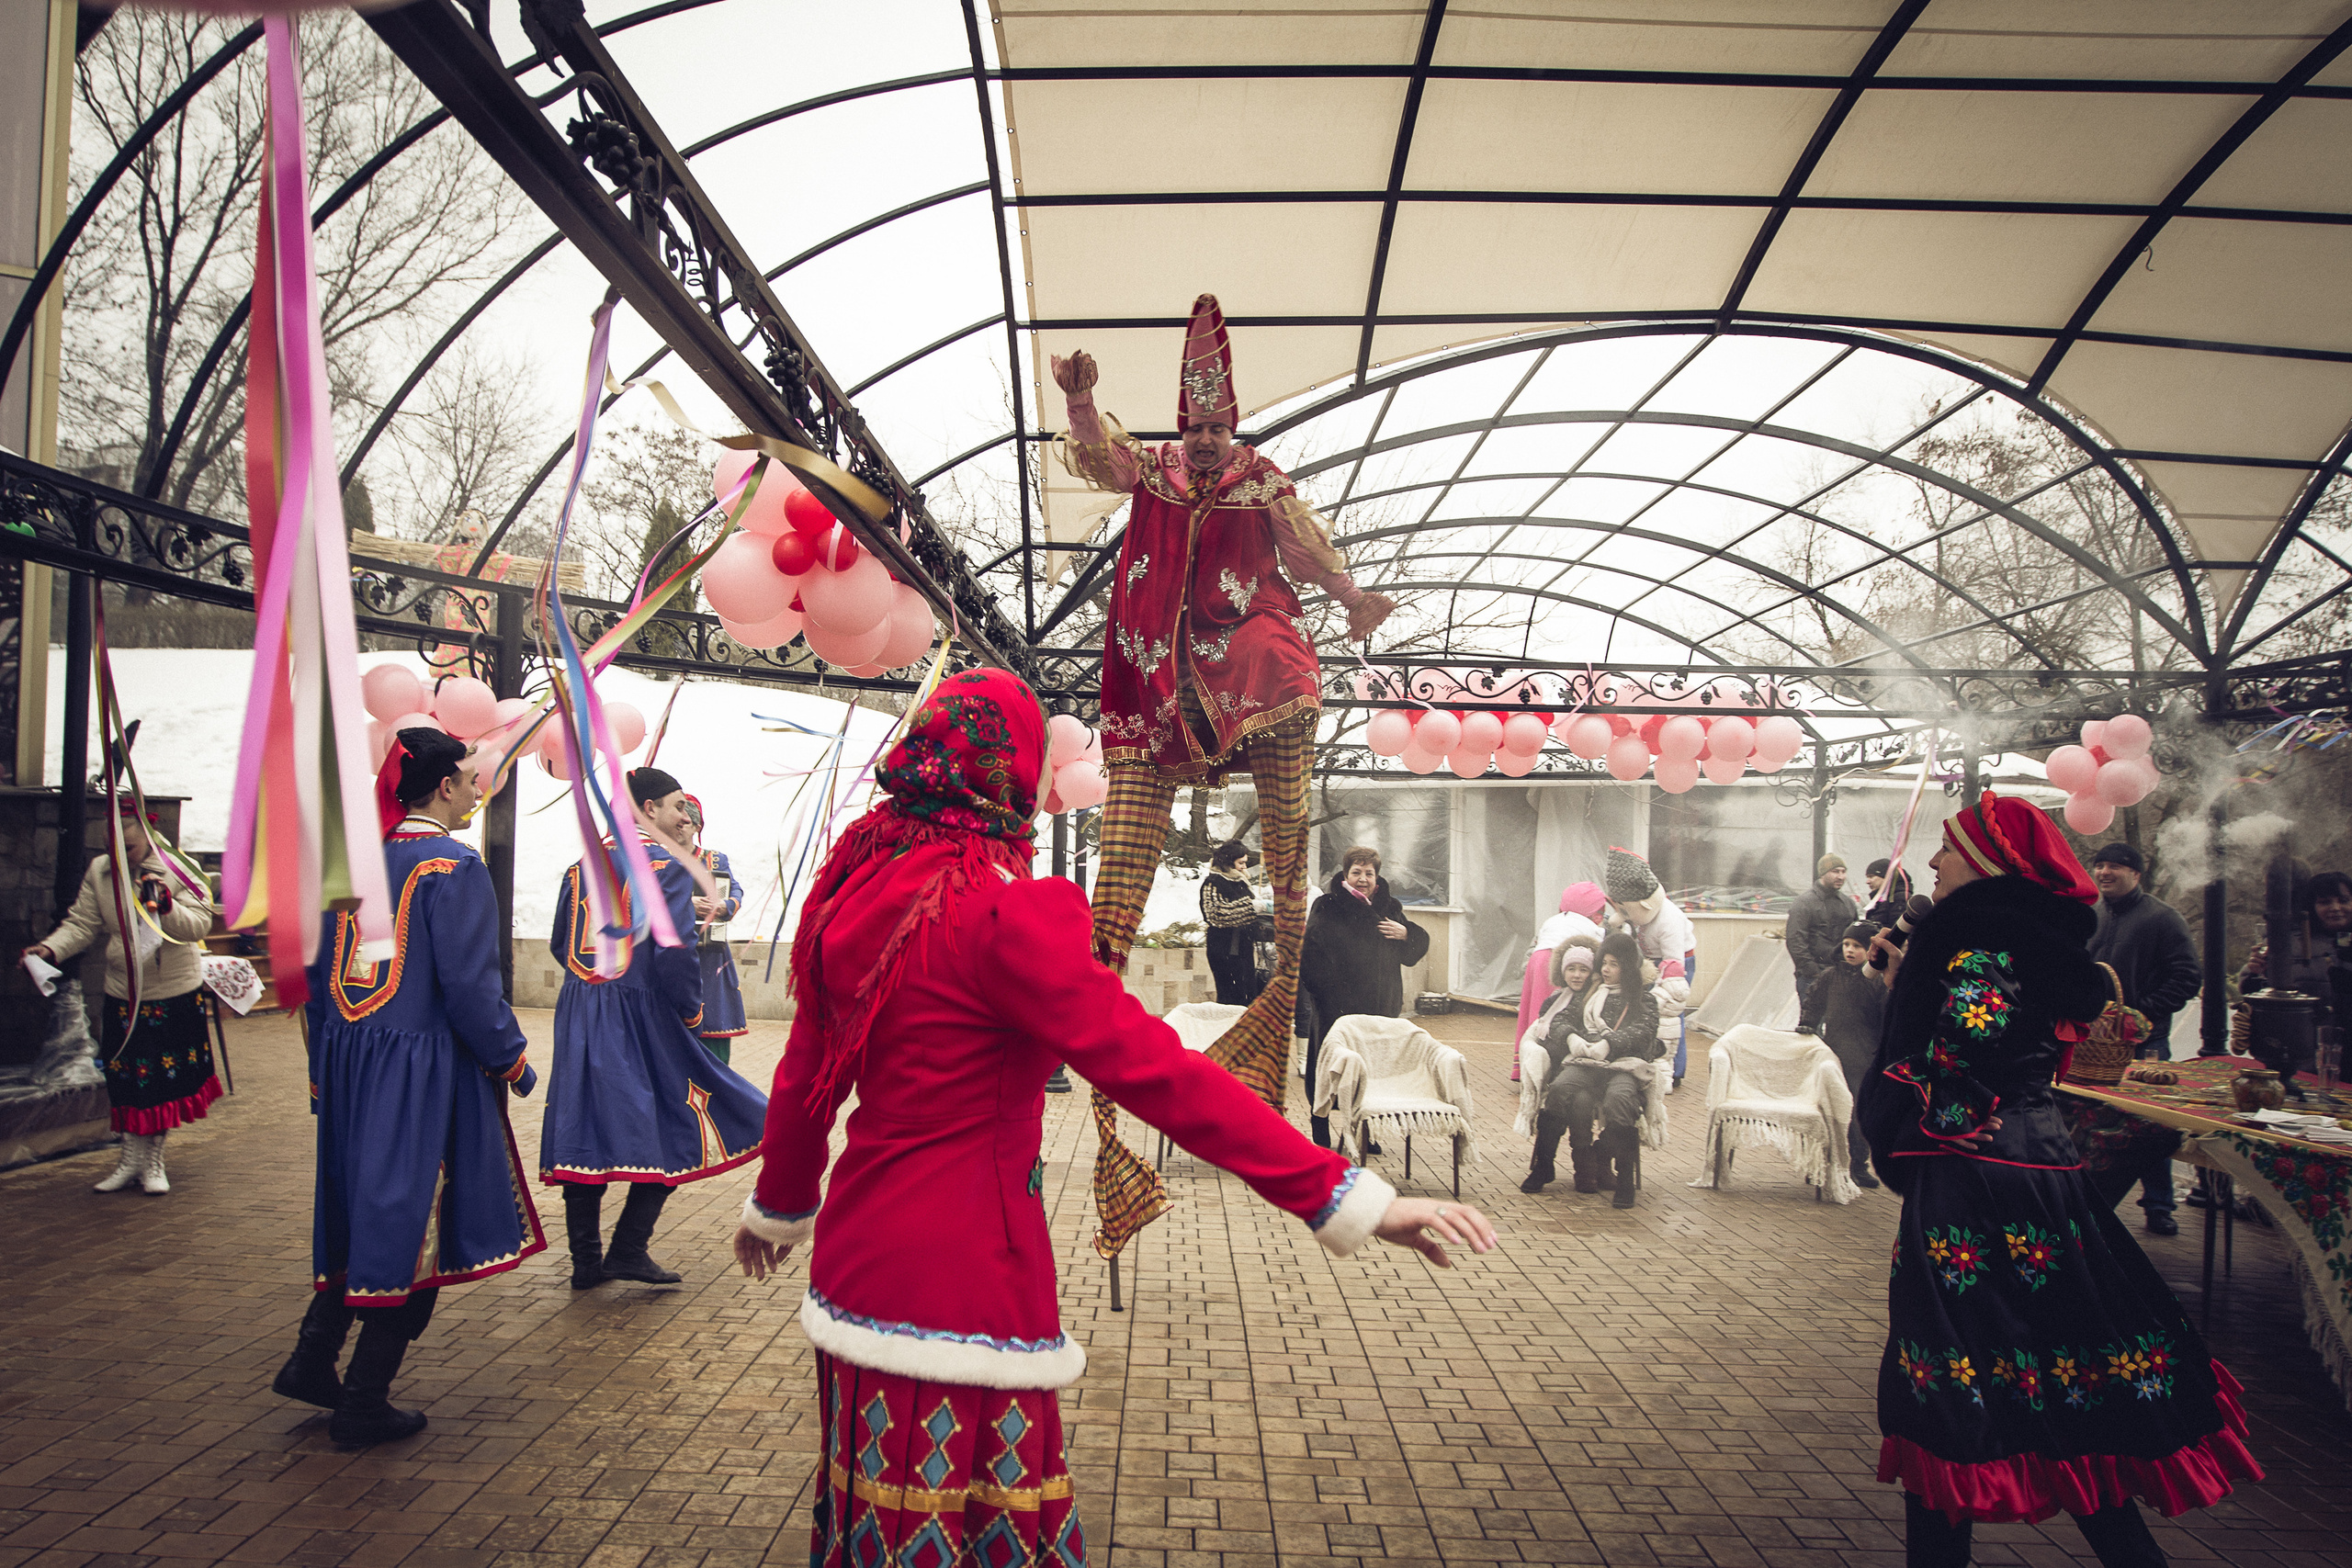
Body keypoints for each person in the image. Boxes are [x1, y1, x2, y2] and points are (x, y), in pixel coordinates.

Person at [730, 668, 1495, 1568]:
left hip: (856, 1264)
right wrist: (1341, 1192)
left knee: (879, 1519)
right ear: (1010, 779)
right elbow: (1159, 1073)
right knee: (975, 1527)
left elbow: (803, 1080)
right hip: (970, 1279)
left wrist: (779, 1206)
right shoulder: (1005, 913)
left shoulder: (848, 896)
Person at [1051, 298, 1396, 1256]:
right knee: (1120, 865)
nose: (1203, 443)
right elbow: (1103, 459)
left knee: (1281, 663)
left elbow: (1305, 544)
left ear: (1232, 424)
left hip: (1240, 663)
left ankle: (1267, 1023)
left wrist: (1350, 595)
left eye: (1216, 428)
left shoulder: (1261, 480)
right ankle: (1110, 1098)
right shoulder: (1155, 468)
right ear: (1181, 422)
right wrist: (1083, 404)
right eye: (1194, 427)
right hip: (1152, 682)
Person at [1857, 789, 2260, 1567]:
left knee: (1950, 1384)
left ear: (1989, 861)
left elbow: (1964, 1076)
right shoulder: (2018, 945)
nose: (1935, 862)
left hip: (1973, 1195)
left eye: (1949, 847)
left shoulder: (1974, 948)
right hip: (2042, 1182)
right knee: (2063, 1373)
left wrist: (1908, 1071)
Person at [277, 728, 544, 1446]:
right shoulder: (452, 866)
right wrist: (511, 1059)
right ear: (441, 787)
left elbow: (316, 982)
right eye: (466, 777)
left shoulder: (356, 865)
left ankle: (312, 1357)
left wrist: (322, 1072)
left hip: (351, 1062)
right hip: (420, 1067)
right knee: (412, 1218)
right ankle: (364, 1398)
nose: (476, 787)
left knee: (358, 1205)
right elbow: (467, 984)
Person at [544, 766, 769, 1289]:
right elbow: (674, 950)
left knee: (584, 1126)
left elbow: (561, 942)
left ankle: (586, 1261)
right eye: (675, 806)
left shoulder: (584, 863)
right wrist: (690, 1011)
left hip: (581, 1008)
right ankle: (628, 1247)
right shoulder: (663, 864)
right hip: (637, 1009)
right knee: (678, 1117)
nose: (683, 815)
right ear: (648, 809)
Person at [28, 799, 218, 1195]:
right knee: (126, 1077)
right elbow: (83, 923)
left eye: (128, 849)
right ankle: (129, 1158)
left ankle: (153, 1161)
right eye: (112, 848)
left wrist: (167, 908)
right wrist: (50, 950)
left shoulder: (178, 867)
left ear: (147, 838)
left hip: (171, 990)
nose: (120, 857)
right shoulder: (101, 871)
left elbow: (200, 922)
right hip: (123, 989)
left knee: (160, 1082)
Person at [2086, 842, 2202, 1237]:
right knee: (2093, 1120)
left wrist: (2144, 1014)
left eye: (2114, 866)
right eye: (2099, 865)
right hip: (2093, 1044)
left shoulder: (2163, 919)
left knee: (2150, 1122)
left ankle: (2158, 1204)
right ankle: (2093, 1200)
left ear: (2136, 874)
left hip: (2147, 1044)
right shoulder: (2091, 915)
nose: (2104, 872)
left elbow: (2187, 977)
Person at [1297, 846, 1431, 1147]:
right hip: (1336, 1009)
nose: (1362, 879)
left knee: (1370, 1069)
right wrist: (1325, 995)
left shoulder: (1389, 907)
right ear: (1346, 874)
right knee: (1329, 1066)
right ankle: (1319, 1123)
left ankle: (1364, 1129)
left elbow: (1411, 955)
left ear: (1376, 876)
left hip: (1378, 1009)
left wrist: (1407, 932)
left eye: (1368, 873)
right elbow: (1309, 956)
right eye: (1356, 872)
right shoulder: (1327, 905)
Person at [1522, 931, 1660, 1206]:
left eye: (1614, 964)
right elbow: (1559, 1020)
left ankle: (1623, 1181)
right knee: (1560, 1089)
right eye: (1604, 963)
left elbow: (1644, 1032)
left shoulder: (1644, 999)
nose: (1606, 970)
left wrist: (1609, 1043)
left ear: (1628, 967)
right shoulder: (1589, 993)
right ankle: (1544, 1165)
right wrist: (1572, 1037)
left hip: (1624, 1066)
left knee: (1619, 1100)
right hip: (1587, 1062)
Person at [1798, 920, 1885, 1190]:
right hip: (1833, 1054)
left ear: (1870, 950)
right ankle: (1821, 1162)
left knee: (1858, 1111)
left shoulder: (1877, 981)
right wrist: (1808, 1024)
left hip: (1863, 1058)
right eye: (1847, 944)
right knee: (1826, 1108)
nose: (1850, 950)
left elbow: (1885, 1016)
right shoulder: (1830, 976)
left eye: (1857, 946)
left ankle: (1857, 1164)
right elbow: (1813, 1002)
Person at [1601, 847, 1694, 1089]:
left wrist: (1666, 987)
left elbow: (1674, 963)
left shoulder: (1669, 921)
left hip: (1674, 964)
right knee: (1644, 1010)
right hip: (1650, 961)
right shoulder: (1635, 916)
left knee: (1669, 1015)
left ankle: (1674, 1069)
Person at [1513, 882, 1606, 1082]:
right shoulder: (1591, 927)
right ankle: (1550, 1067)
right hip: (1560, 961)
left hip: (1538, 962)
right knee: (1559, 1010)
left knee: (1537, 1013)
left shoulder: (1553, 921)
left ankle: (1528, 1067)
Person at [682, 794, 749, 1065]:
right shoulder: (657, 860)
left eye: (687, 822)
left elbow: (735, 890)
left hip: (710, 959)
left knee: (712, 1031)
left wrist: (725, 905)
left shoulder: (714, 860)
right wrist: (686, 904)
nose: (681, 826)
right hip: (674, 954)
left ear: (697, 826)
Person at [1787, 852, 1860, 999]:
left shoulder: (1848, 903)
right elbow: (1795, 939)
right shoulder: (1804, 903)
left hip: (1842, 975)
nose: (1840, 877)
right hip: (1812, 977)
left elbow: (1855, 937)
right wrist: (1812, 970)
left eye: (1843, 872)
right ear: (1822, 873)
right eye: (1835, 871)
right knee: (1812, 1021)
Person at [1200, 840, 1263, 1007]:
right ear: (1229, 862)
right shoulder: (1213, 882)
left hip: (1243, 947)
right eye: (1240, 863)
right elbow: (1215, 914)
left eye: (1245, 863)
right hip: (1223, 949)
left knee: (1247, 995)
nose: (1244, 867)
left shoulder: (1241, 882)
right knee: (1230, 996)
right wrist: (1250, 908)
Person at [1864, 857, 1912, 929]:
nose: (1867, 882)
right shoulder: (1881, 900)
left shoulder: (1899, 898)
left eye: (1871, 877)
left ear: (1886, 877)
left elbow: (1898, 931)